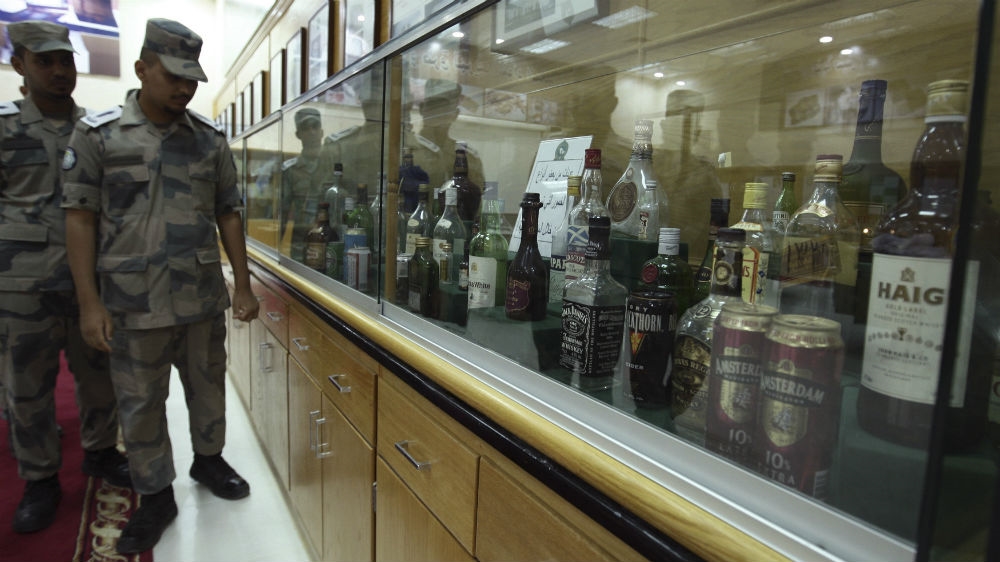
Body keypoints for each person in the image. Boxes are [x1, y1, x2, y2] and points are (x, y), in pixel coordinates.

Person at [61, 18, 259, 554]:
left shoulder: (208, 141)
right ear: (142, 68)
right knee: (141, 402)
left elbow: (229, 212)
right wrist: (88, 303)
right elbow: (78, 216)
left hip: (198, 297)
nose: (183, 88)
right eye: (172, 76)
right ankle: (156, 495)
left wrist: (242, 284)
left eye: (191, 79)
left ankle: (209, 460)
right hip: (131, 302)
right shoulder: (99, 135)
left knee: (208, 386)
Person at [1, 20, 131, 535]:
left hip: (91, 283)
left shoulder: (98, 128)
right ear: (20, 66)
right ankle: (40, 477)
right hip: (22, 283)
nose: (59, 70)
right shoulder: (6, 127)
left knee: (100, 378)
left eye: (66, 60)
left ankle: (100, 451)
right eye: (45, 61)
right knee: (27, 388)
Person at [280, 106, 333, 260]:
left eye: (315, 126)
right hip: (300, 247)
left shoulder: (334, 166)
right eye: (305, 128)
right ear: (298, 134)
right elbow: (282, 214)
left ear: (322, 131)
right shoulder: (290, 170)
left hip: (330, 243)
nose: (311, 131)